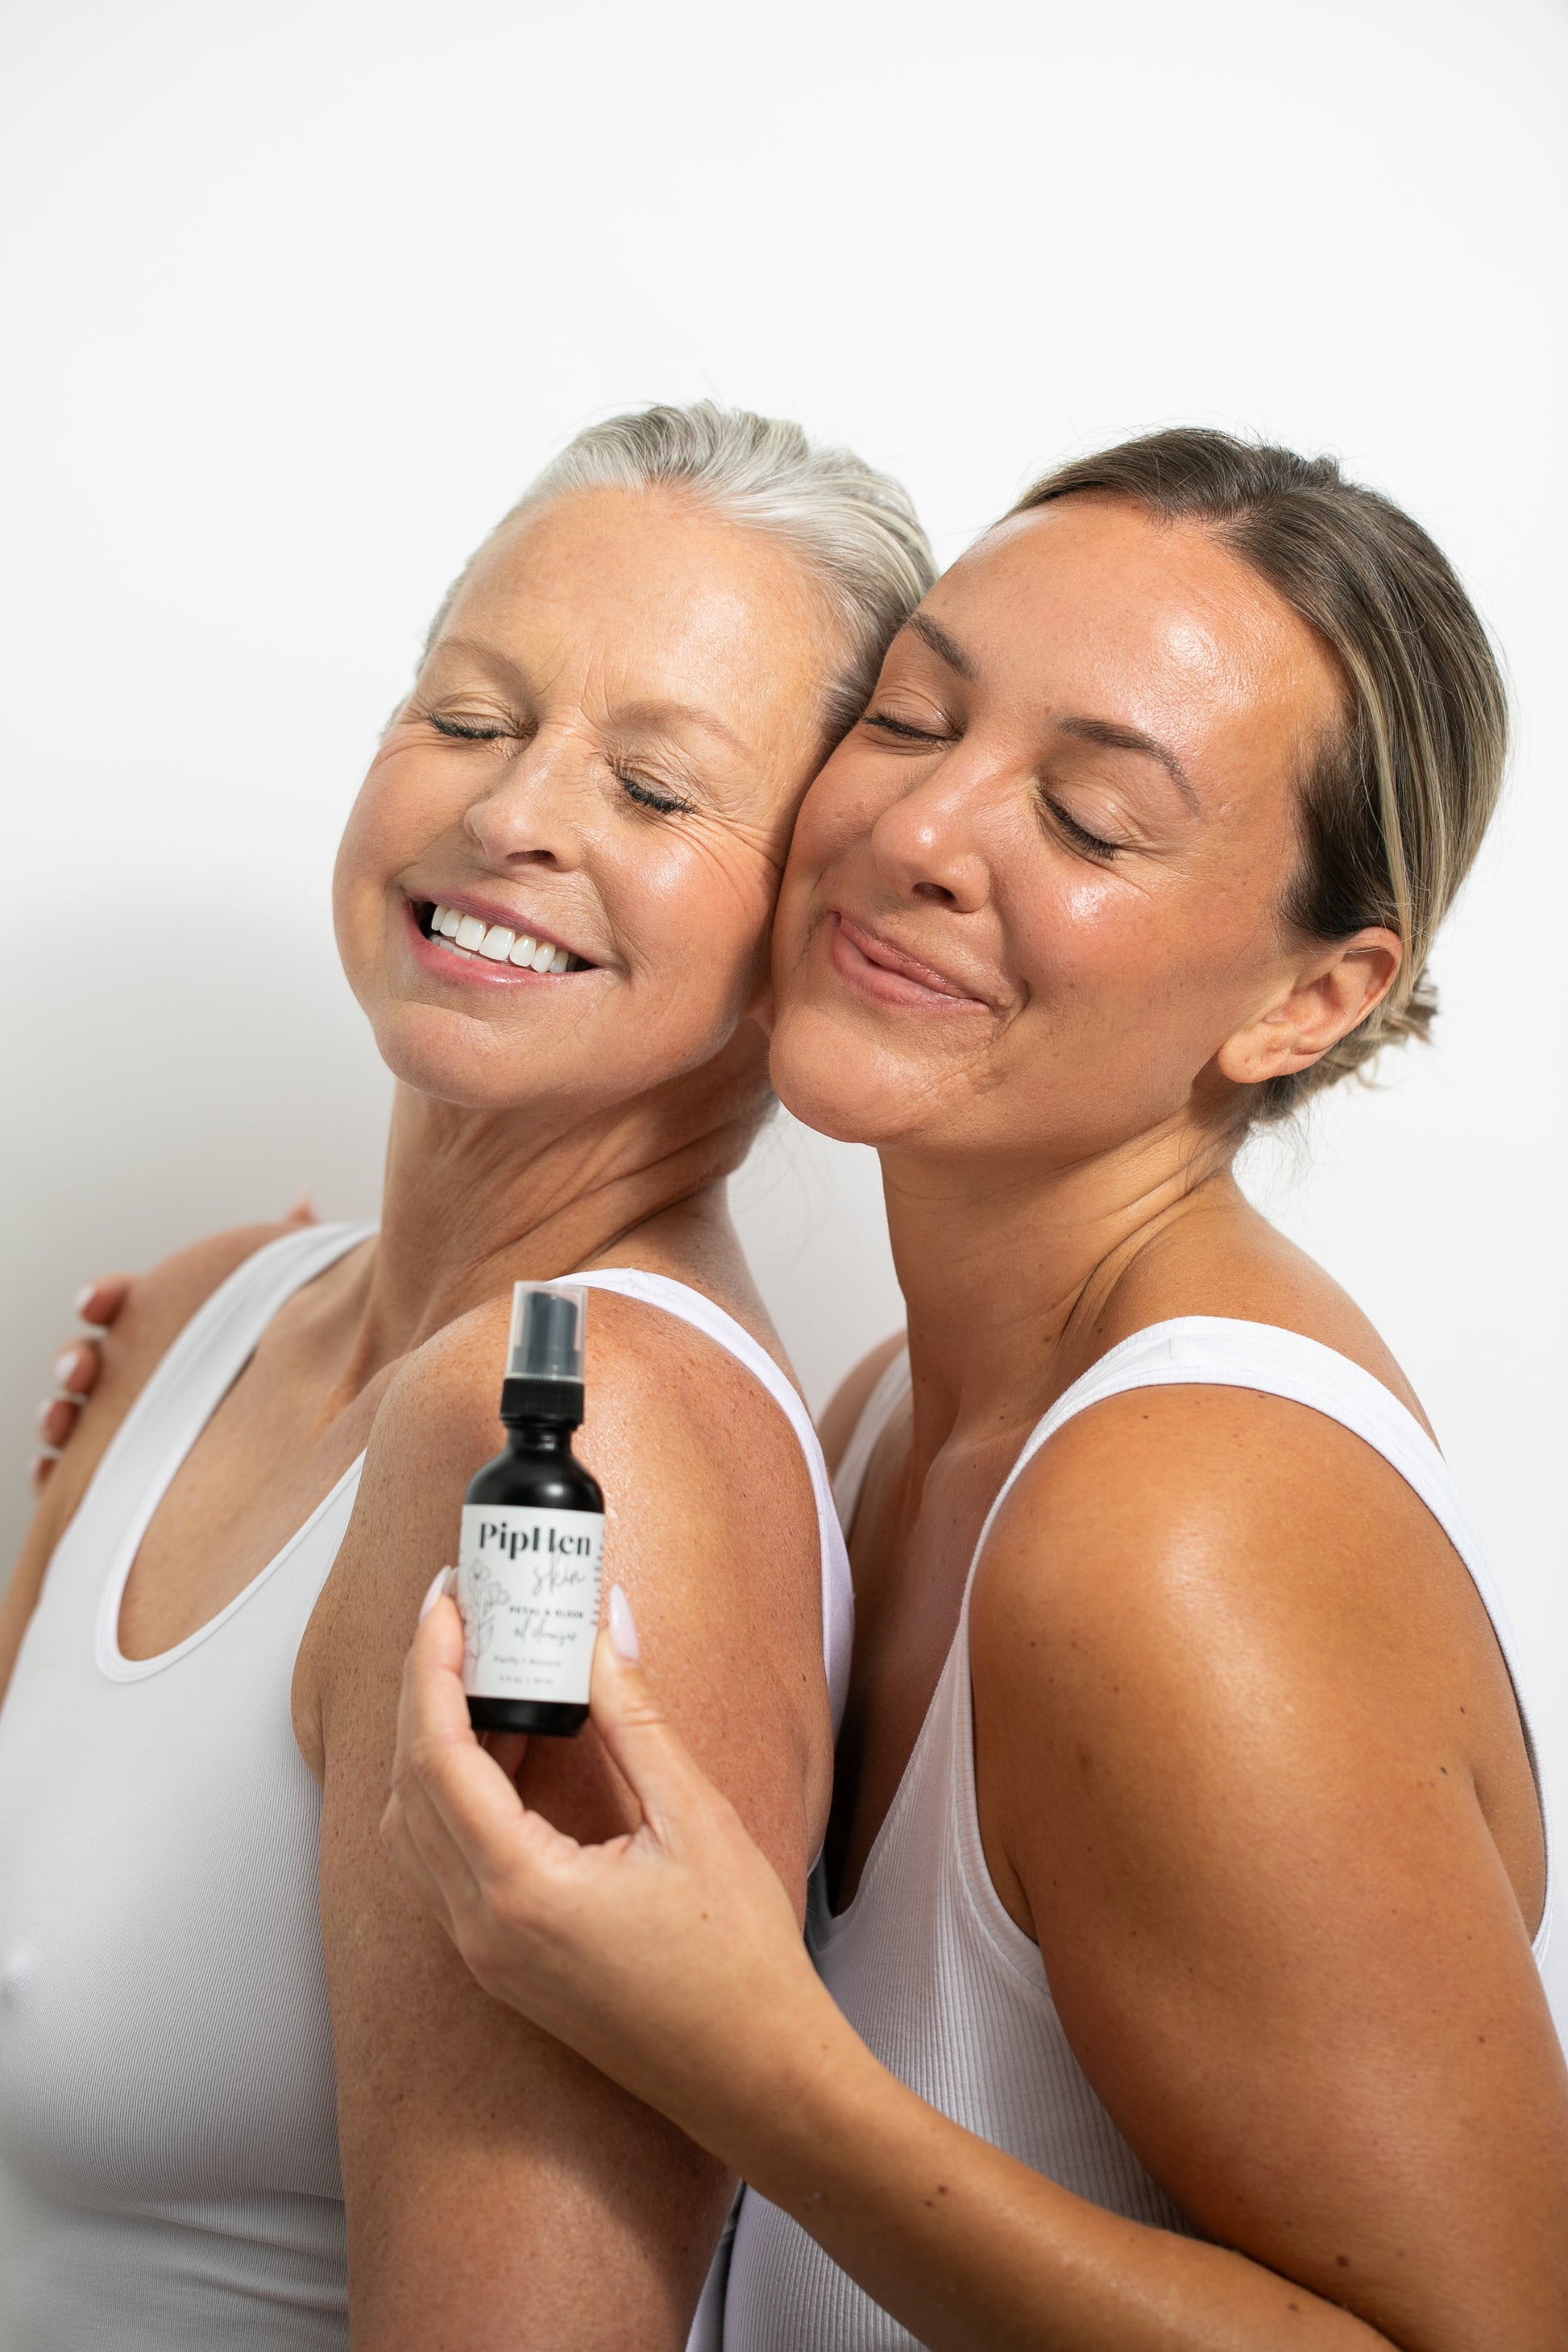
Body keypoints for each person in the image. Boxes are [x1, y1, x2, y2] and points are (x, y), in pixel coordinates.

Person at [380, 431, 1568, 2350]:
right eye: (912, 718)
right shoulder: (877, 1423)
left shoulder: (1178, 1527)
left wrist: (752, 2060)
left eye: (1090, 821)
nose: (918, 832)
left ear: (1311, 1000)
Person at [0, 403, 935, 2351]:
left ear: (813, 924)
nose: (514, 813)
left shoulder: (580, 1453)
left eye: (657, 788)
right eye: (468, 712)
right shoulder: (201, 1314)